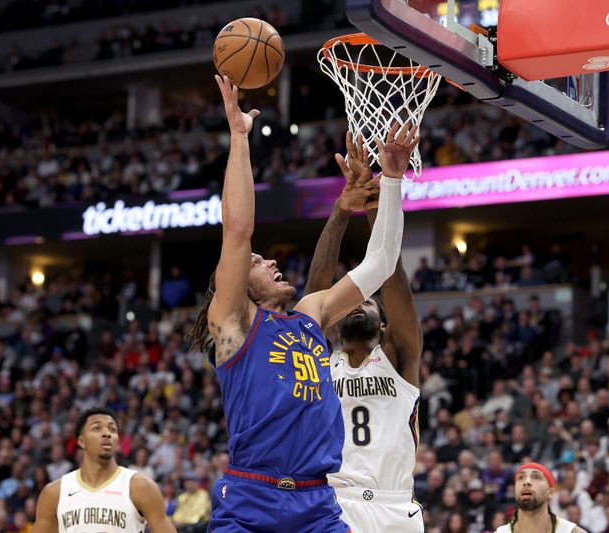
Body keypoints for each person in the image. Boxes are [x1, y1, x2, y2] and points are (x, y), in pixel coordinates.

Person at [188, 76, 409, 532]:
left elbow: (382, 261)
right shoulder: (233, 323)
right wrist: (238, 137)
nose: (269, 260)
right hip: (251, 498)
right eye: (255, 262)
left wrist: (391, 178)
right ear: (234, 287)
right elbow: (237, 229)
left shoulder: (310, 315)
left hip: (317, 503)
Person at [303, 127, 422, 532]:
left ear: (385, 326)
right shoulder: (318, 360)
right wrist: (341, 209)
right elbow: (316, 291)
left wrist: (376, 204)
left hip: (394, 507)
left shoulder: (399, 358)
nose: (360, 303)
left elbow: (391, 274)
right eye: (353, 301)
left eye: (367, 301)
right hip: (333, 502)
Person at [31, 407, 175, 532]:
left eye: (112, 429)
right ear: (82, 441)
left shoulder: (140, 487)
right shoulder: (55, 492)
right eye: (97, 428)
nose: (107, 433)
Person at [495, 463, 587, 533]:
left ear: (550, 492)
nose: (526, 482)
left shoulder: (570, 531)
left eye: (536, 477)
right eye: (521, 478)